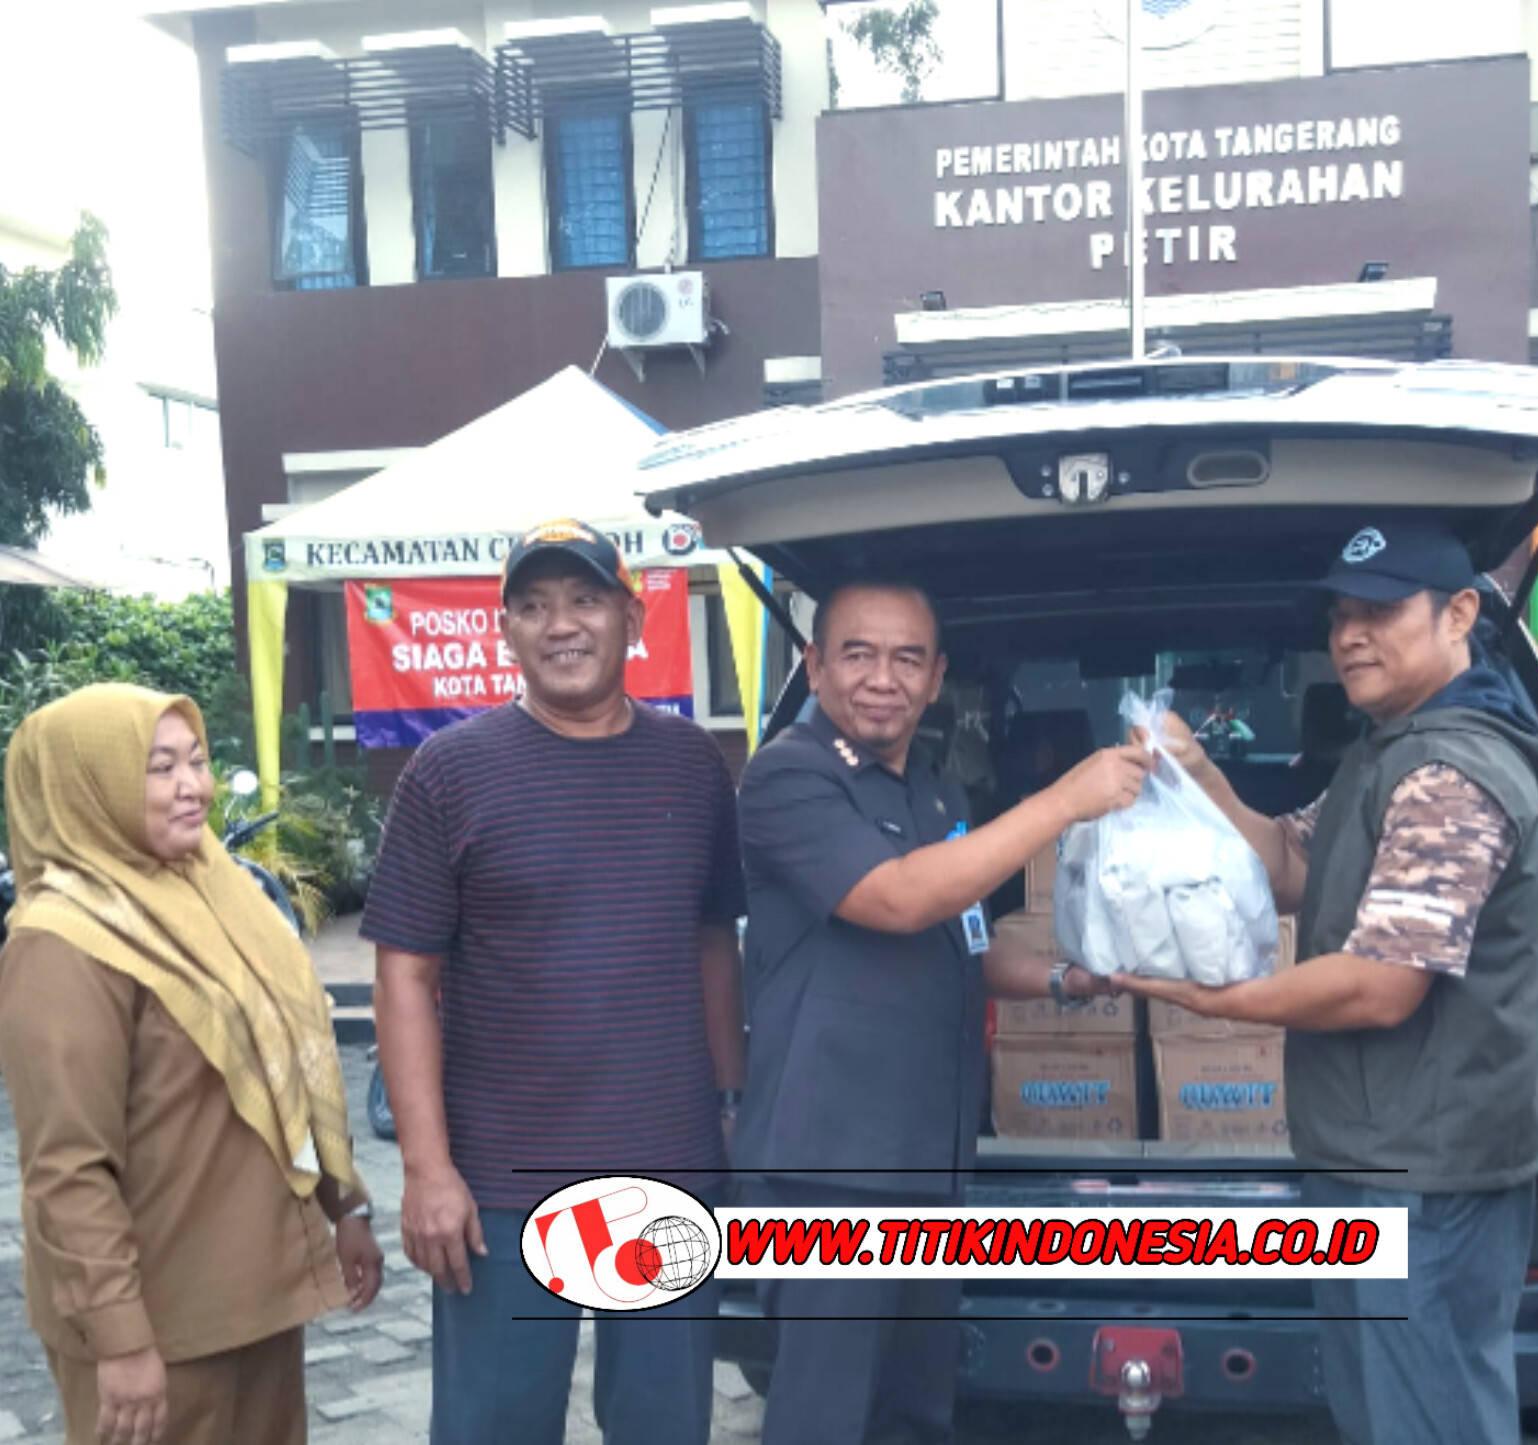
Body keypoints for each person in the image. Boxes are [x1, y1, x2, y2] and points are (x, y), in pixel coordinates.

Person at [1114, 520, 1538, 1445]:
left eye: (1381, 611)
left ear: (1460, 613)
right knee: (1381, 1411)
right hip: (1373, 1153)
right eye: (1340, 616)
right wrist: (1199, 776)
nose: (1350, 634)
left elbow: (1379, 986)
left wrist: (1212, 1002)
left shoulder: (1449, 770)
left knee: (1428, 1416)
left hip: (1427, 1175)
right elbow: (1287, 863)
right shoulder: (1388, 749)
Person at [735, 577, 1149, 1445]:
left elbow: (963, 938)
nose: (882, 677)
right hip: (831, 1177)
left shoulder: (935, 793)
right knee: (824, 1418)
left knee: (915, 1413)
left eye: (906, 658)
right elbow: (896, 899)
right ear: (813, 665)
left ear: (935, 678)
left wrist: (1071, 980)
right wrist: (1065, 800)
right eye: (857, 653)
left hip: (928, 1165)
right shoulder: (786, 777)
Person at [363, 519, 747, 1445]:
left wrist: (730, 1105)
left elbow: (713, 944)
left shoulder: (694, 766)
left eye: (583, 599)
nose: (559, 624)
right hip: (500, 1178)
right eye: (531, 606)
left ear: (632, 615)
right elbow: (404, 975)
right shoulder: (447, 773)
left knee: (662, 1425)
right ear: (506, 631)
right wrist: (426, 1170)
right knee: (495, 1424)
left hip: (665, 1165)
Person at [0, 684, 382, 1445]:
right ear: (89, 783)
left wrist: (347, 1206)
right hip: (162, 1322)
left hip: (256, 1297)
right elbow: (68, 1168)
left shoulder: (215, 896)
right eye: (158, 767)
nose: (193, 786)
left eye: (198, 761)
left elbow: (281, 1075)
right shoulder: (64, 940)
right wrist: (120, 1336)